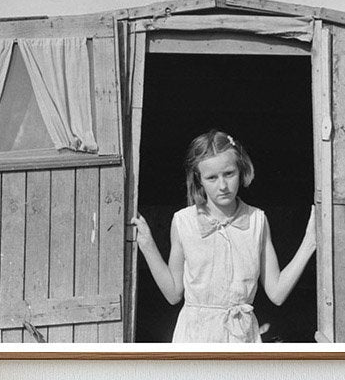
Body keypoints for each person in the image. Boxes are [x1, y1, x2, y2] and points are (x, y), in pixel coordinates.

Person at [133, 130, 316, 343]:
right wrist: (147, 244)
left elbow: (277, 293)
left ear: (241, 169)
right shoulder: (184, 221)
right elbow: (173, 294)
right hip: (196, 337)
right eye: (211, 177)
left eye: (229, 174)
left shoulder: (257, 220)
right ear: (199, 180)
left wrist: (309, 243)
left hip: (242, 337)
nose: (222, 185)